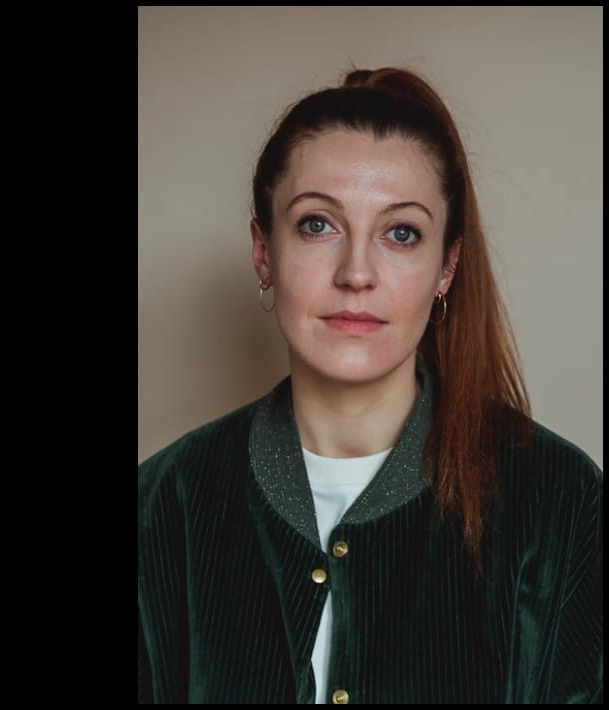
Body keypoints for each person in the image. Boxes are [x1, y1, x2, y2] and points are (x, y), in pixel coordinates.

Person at [137, 67, 602, 704]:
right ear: (263, 252)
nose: (357, 273)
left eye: (401, 233)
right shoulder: (162, 505)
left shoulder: (563, 500)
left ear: (447, 267)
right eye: (317, 225)